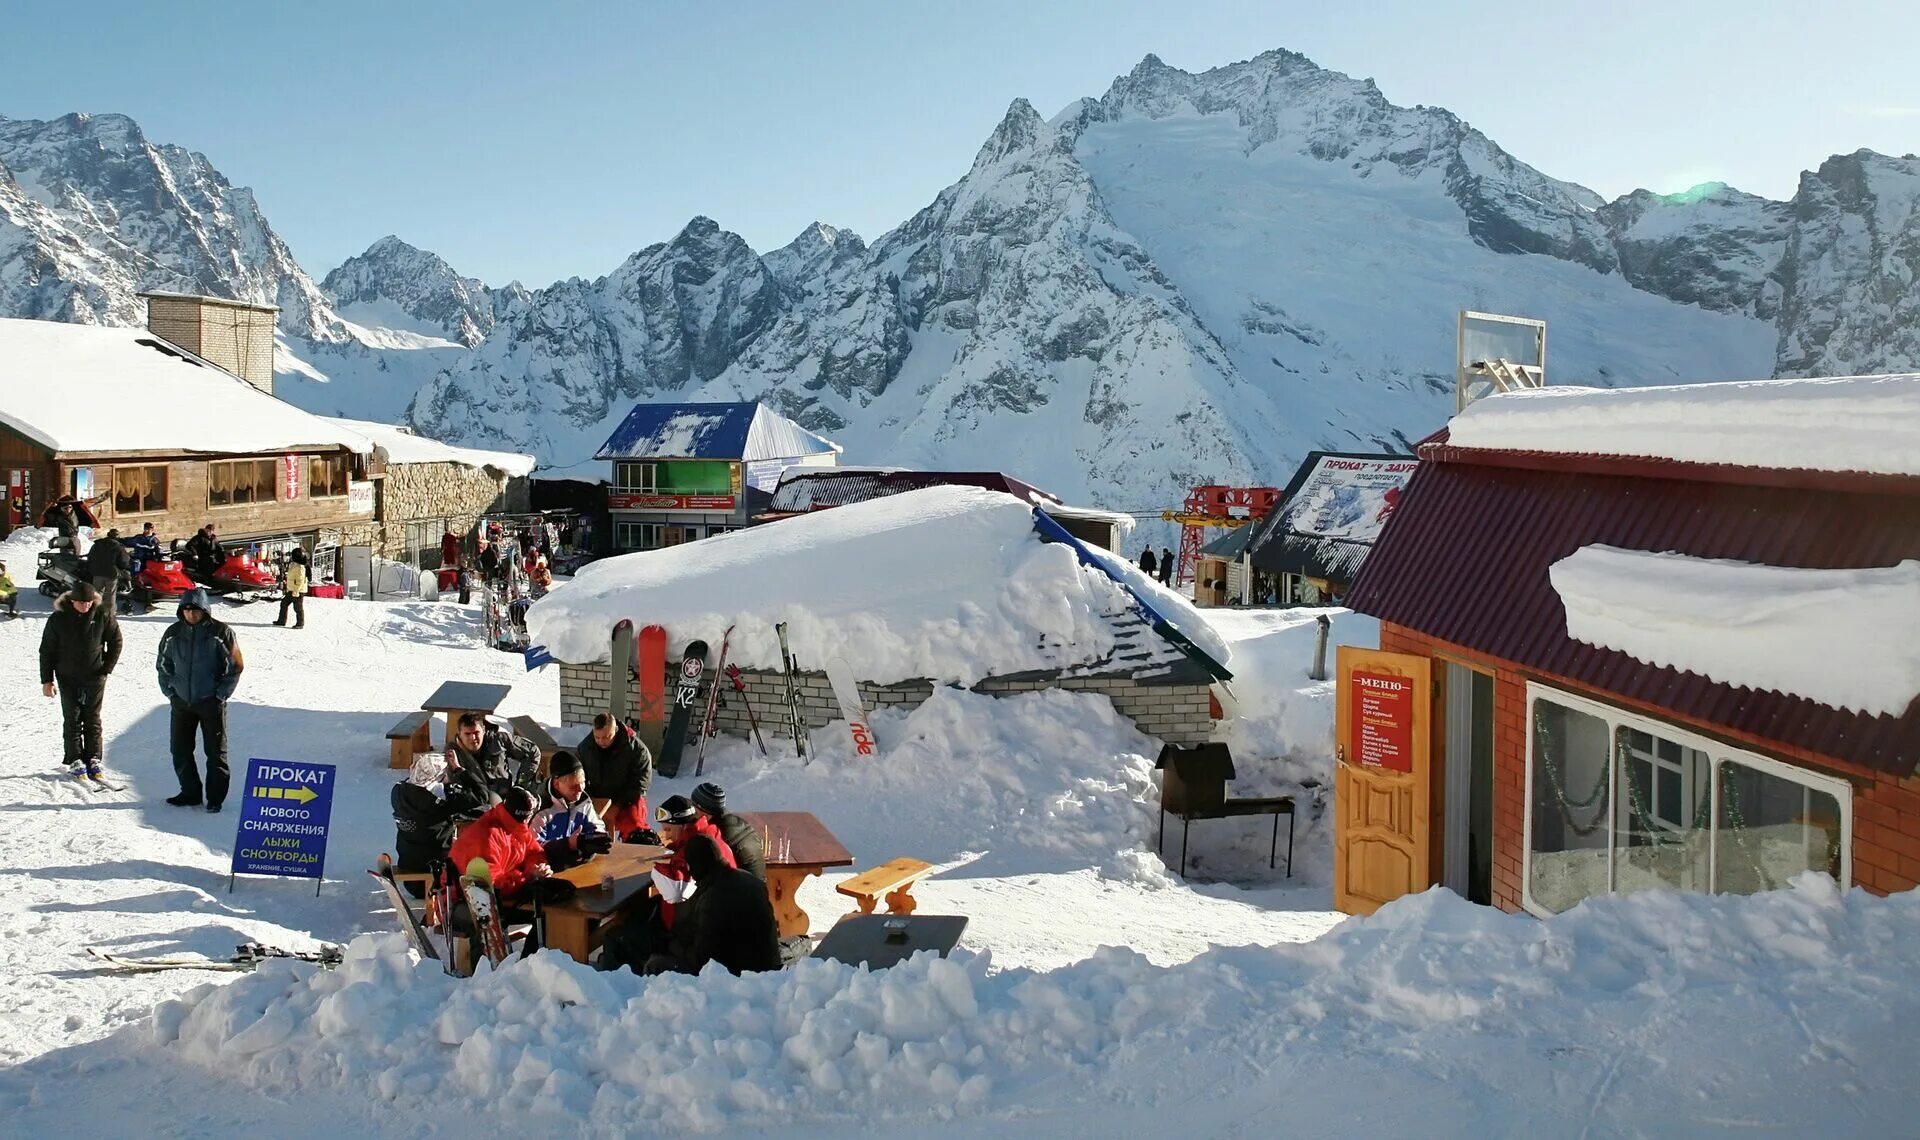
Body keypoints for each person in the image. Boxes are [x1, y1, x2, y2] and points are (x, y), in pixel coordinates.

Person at [155, 586, 243, 810]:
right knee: (180, 749)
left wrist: (220, 694)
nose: (191, 614)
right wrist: (170, 692)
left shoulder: (221, 632)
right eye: (186, 610)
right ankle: (190, 792)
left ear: (205, 610)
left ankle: (215, 798)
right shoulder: (173, 633)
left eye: (195, 610)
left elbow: (235, 666)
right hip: (182, 701)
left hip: (210, 701)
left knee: (215, 753)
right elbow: (163, 665)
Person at [645, 835, 781, 976]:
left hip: (738, 974)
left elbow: (702, 959)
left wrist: (670, 946)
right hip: (767, 964)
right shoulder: (749, 880)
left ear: (695, 866)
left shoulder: (713, 899)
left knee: (654, 964)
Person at [39, 581, 121, 777]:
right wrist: (47, 680)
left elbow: (116, 640)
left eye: (89, 602)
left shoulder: (102, 614)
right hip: (67, 676)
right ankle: (74, 758)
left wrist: (106, 668)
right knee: (72, 717)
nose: (86, 606)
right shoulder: (58, 618)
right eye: (82, 603)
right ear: (72, 601)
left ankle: (93, 757)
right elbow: (46, 650)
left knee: (92, 717)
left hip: (94, 675)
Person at [391, 751, 489, 885]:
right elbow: (482, 795)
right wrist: (458, 770)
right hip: (440, 874)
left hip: (409, 867)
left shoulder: (398, 793)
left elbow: (417, 787)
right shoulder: (442, 801)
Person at [448, 787, 552, 908]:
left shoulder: (515, 825)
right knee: (546, 917)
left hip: (500, 897)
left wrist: (535, 868)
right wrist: (528, 877)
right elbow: (491, 885)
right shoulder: (487, 836)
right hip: (466, 904)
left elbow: (534, 852)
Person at [528, 750, 612, 868]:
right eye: (573, 786)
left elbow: (598, 828)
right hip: (547, 872)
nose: (580, 790)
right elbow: (532, 849)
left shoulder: (582, 801)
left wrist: (591, 840)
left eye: (582, 783)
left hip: (577, 866)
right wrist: (568, 844)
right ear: (557, 784)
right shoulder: (541, 809)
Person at [576, 712, 653, 838]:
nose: (601, 741)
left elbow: (640, 782)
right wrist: (590, 801)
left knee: (634, 826)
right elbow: (578, 777)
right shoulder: (585, 748)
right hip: (595, 799)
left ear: (615, 730)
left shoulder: (636, 749)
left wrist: (618, 805)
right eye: (597, 737)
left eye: (607, 737)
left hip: (627, 799)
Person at [444, 711, 542, 806]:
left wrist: (521, 784)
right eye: (467, 734)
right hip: (474, 804)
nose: (473, 738)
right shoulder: (452, 753)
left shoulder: (498, 740)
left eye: (476, 732)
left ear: (483, 730)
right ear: (459, 733)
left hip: (505, 801)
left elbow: (532, 752)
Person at [690, 781, 766, 881]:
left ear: (702, 809)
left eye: (694, 809)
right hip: (759, 889)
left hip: (742, 892)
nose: (693, 814)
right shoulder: (739, 824)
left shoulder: (716, 833)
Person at [86, 526, 129, 614]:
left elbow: (90, 557)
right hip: (111, 574)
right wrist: (120, 569)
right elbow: (124, 562)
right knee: (110, 595)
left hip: (97, 572)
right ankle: (109, 614)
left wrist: (91, 568)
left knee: (97, 593)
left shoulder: (97, 544)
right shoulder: (118, 547)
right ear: (117, 537)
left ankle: (94, 611)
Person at [273, 546, 309, 628]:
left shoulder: (300, 567)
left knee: (297, 607)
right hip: (292, 589)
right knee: (284, 603)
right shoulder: (293, 564)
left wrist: (296, 591)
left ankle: (300, 623)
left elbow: (300, 580)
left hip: (298, 590)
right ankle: (281, 621)